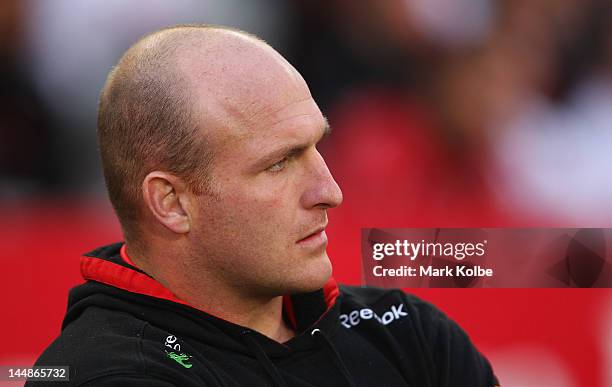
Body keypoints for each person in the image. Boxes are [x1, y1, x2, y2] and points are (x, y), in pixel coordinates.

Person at [30, 24, 499, 386]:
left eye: (318, 147)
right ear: (171, 203)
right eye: (279, 163)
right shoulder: (106, 374)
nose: (330, 191)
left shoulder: (407, 334)